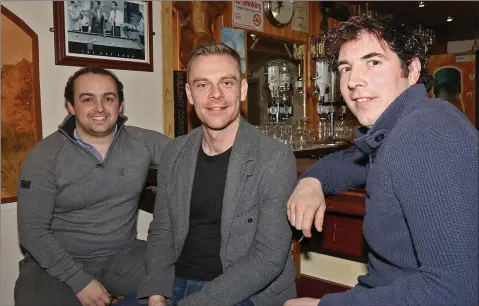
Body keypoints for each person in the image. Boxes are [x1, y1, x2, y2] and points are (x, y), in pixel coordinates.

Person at [284, 15, 478, 306]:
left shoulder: (425, 132)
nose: (353, 81)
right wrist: (312, 181)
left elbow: (458, 293)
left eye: (373, 62)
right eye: (345, 68)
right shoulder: (401, 128)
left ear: (411, 70)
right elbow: (352, 160)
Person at [134, 41, 297, 306]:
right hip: (175, 281)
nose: (215, 94)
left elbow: (268, 257)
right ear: (189, 94)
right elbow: (162, 231)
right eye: (203, 85)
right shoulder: (174, 153)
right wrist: (156, 295)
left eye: (227, 83)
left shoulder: (275, 158)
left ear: (243, 90)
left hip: (246, 290)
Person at [14, 67, 171, 306]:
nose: (99, 108)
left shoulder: (143, 142)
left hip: (123, 256)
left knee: (189, 280)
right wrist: (78, 280)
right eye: (87, 99)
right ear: (71, 106)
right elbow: (32, 231)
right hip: (54, 263)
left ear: (120, 106)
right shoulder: (45, 157)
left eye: (108, 98)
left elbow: (193, 153)